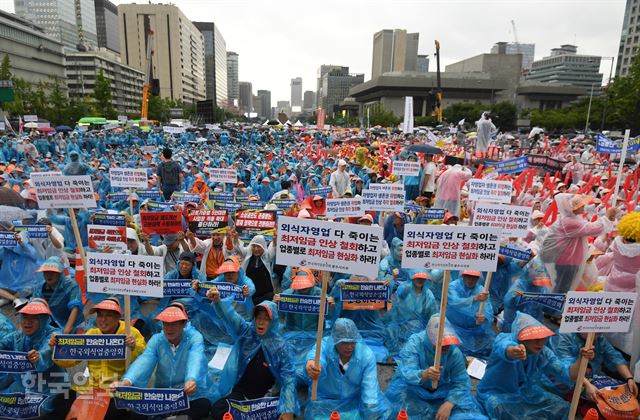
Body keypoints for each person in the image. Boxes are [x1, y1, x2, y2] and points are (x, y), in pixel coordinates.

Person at [477, 312, 592, 419]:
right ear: (521, 337)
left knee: (561, 406)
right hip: (496, 393)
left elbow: (568, 374)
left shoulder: (543, 351)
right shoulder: (505, 339)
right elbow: (504, 347)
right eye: (534, 338)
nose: (540, 342)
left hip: (525, 392)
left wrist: (581, 358)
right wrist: (512, 351)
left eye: (543, 338)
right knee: (497, 407)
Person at [205, 288, 297, 420]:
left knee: (285, 414)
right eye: (258, 317)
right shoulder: (247, 332)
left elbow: (289, 377)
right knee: (219, 409)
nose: (261, 322)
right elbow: (232, 317)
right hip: (241, 396)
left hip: (266, 400)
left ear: (273, 321)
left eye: (266, 319)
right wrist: (218, 301)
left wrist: (287, 409)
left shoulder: (280, 346)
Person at [111, 302, 213, 419]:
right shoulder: (157, 340)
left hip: (189, 395)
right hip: (162, 396)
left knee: (202, 406)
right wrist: (127, 381)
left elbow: (196, 358)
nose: (169, 328)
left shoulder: (194, 338)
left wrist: (191, 380)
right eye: (166, 324)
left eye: (174, 324)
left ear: (184, 323)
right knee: (136, 412)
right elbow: (145, 360)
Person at [50, 298, 146, 420]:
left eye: (108, 316)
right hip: (91, 389)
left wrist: (133, 347)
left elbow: (144, 360)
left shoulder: (130, 333)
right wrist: (57, 348)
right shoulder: (91, 334)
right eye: (100, 315)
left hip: (117, 389)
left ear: (118, 317)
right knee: (59, 404)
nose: (103, 320)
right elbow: (70, 360)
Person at [385, 315, 488, 419]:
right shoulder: (415, 344)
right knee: (403, 410)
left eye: (448, 342)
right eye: (441, 344)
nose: (446, 347)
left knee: (466, 413)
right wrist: (424, 374)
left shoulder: (454, 353)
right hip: (414, 389)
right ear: (430, 337)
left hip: (443, 391)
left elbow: (461, 381)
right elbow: (407, 372)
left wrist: (449, 403)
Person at [302, 318, 392, 419]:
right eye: (344, 342)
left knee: (380, 408)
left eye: (353, 342)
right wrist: (312, 364)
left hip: (354, 398)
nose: (349, 347)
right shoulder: (324, 345)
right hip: (326, 398)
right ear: (335, 340)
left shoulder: (366, 355)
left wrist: (370, 410)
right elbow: (316, 356)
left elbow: (369, 386)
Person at [0, 299, 69, 418]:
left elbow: (46, 351)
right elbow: (3, 344)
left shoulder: (54, 335)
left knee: (35, 414)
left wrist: (38, 358)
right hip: (23, 385)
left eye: (33, 318)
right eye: (24, 317)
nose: (27, 322)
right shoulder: (19, 335)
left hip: (49, 388)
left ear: (43, 319)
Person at [540, 193, 604, 293]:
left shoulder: (571, 219)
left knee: (563, 286)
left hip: (569, 260)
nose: (584, 206)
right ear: (573, 208)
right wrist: (607, 218)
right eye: (581, 205)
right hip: (567, 261)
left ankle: (556, 305)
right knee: (563, 288)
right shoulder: (569, 222)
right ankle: (555, 307)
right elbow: (594, 228)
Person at [386, 271, 436, 357]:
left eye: (423, 278)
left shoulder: (428, 295)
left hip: (418, 328)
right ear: (412, 278)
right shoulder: (404, 289)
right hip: (400, 326)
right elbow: (396, 308)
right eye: (418, 278)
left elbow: (431, 315)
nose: (420, 280)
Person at [446, 270, 495, 358]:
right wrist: (474, 299)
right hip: (453, 327)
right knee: (453, 352)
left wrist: (484, 317)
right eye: (468, 276)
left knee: (489, 347)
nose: (471, 280)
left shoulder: (481, 290)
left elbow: (488, 308)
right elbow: (455, 302)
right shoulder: (453, 286)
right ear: (462, 276)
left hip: (473, 330)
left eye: (474, 277)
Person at [32, 256, 84, 333]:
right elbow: (33, 306)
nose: (49, 275)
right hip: (50, 324)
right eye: (46, 272)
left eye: (52, 272)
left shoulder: (71, 285)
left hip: (72, 323)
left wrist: (67, 329)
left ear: (60, 273)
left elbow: (75, 307)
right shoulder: (40, 287)